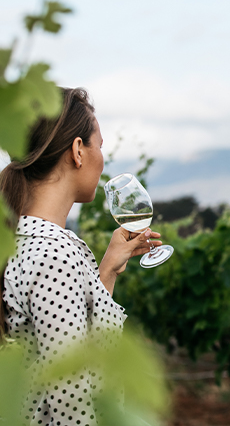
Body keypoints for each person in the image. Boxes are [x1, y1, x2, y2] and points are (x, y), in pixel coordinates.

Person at [0, 87, 162, 426]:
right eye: (98, 146)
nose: (102, 159)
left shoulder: (23, 239)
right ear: (77, 150)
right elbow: (73, 402)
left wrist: (107, 271)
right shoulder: (54, 254)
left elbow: (67, 348)